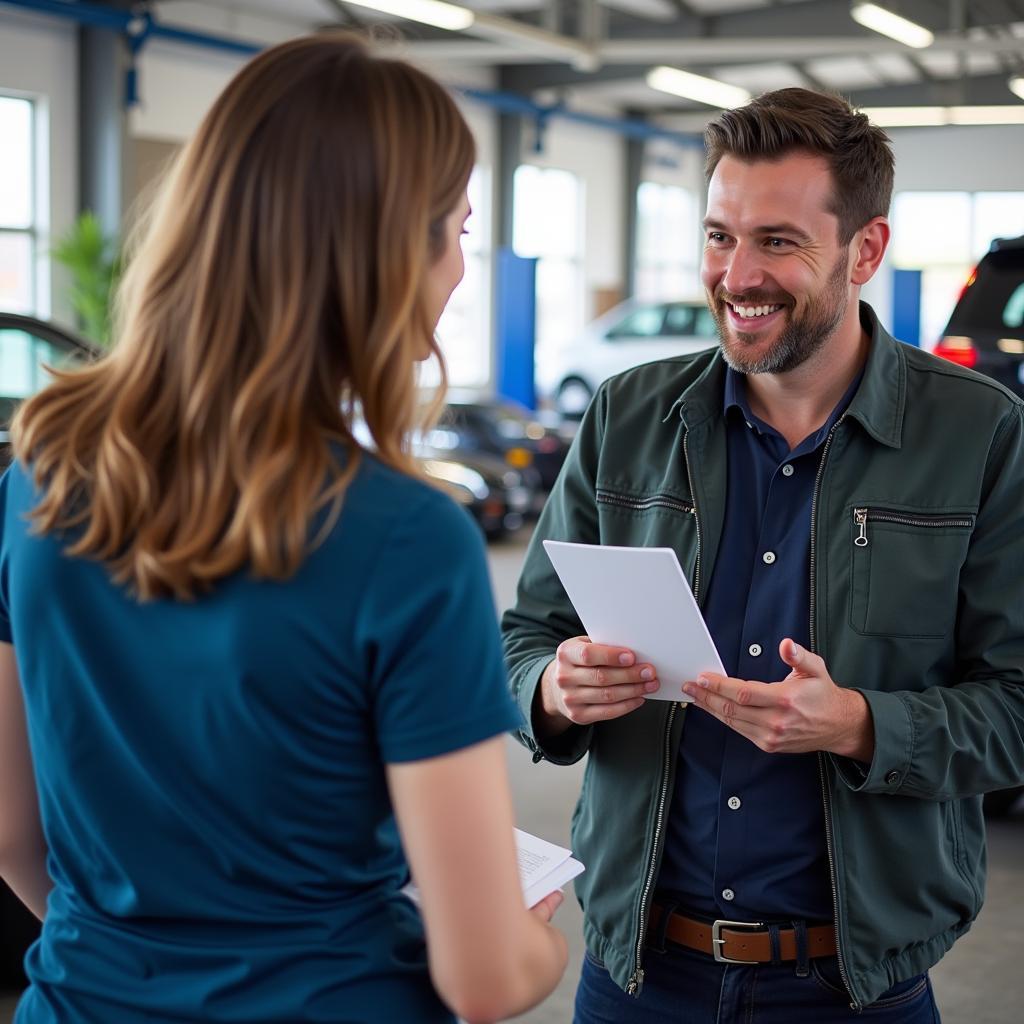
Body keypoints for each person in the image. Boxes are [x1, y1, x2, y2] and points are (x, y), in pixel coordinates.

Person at [0, 33, 568, 1024]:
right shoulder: (405, 537)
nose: (459, 269)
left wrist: (150, 966)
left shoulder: (34, 484)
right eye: (458, 232)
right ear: (390, 252)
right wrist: (537, 939)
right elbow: (483, 977)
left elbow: (12, 838)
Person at [503, 87, 1024, 1023]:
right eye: (718, 237)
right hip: (636, 977)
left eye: (777, 242)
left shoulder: (982, 437)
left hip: (852, 989)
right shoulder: (626, 418)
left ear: (866, 249)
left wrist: (861, 725)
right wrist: (552, 686)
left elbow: (1018, 705)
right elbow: (522, 637)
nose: (735, 275)